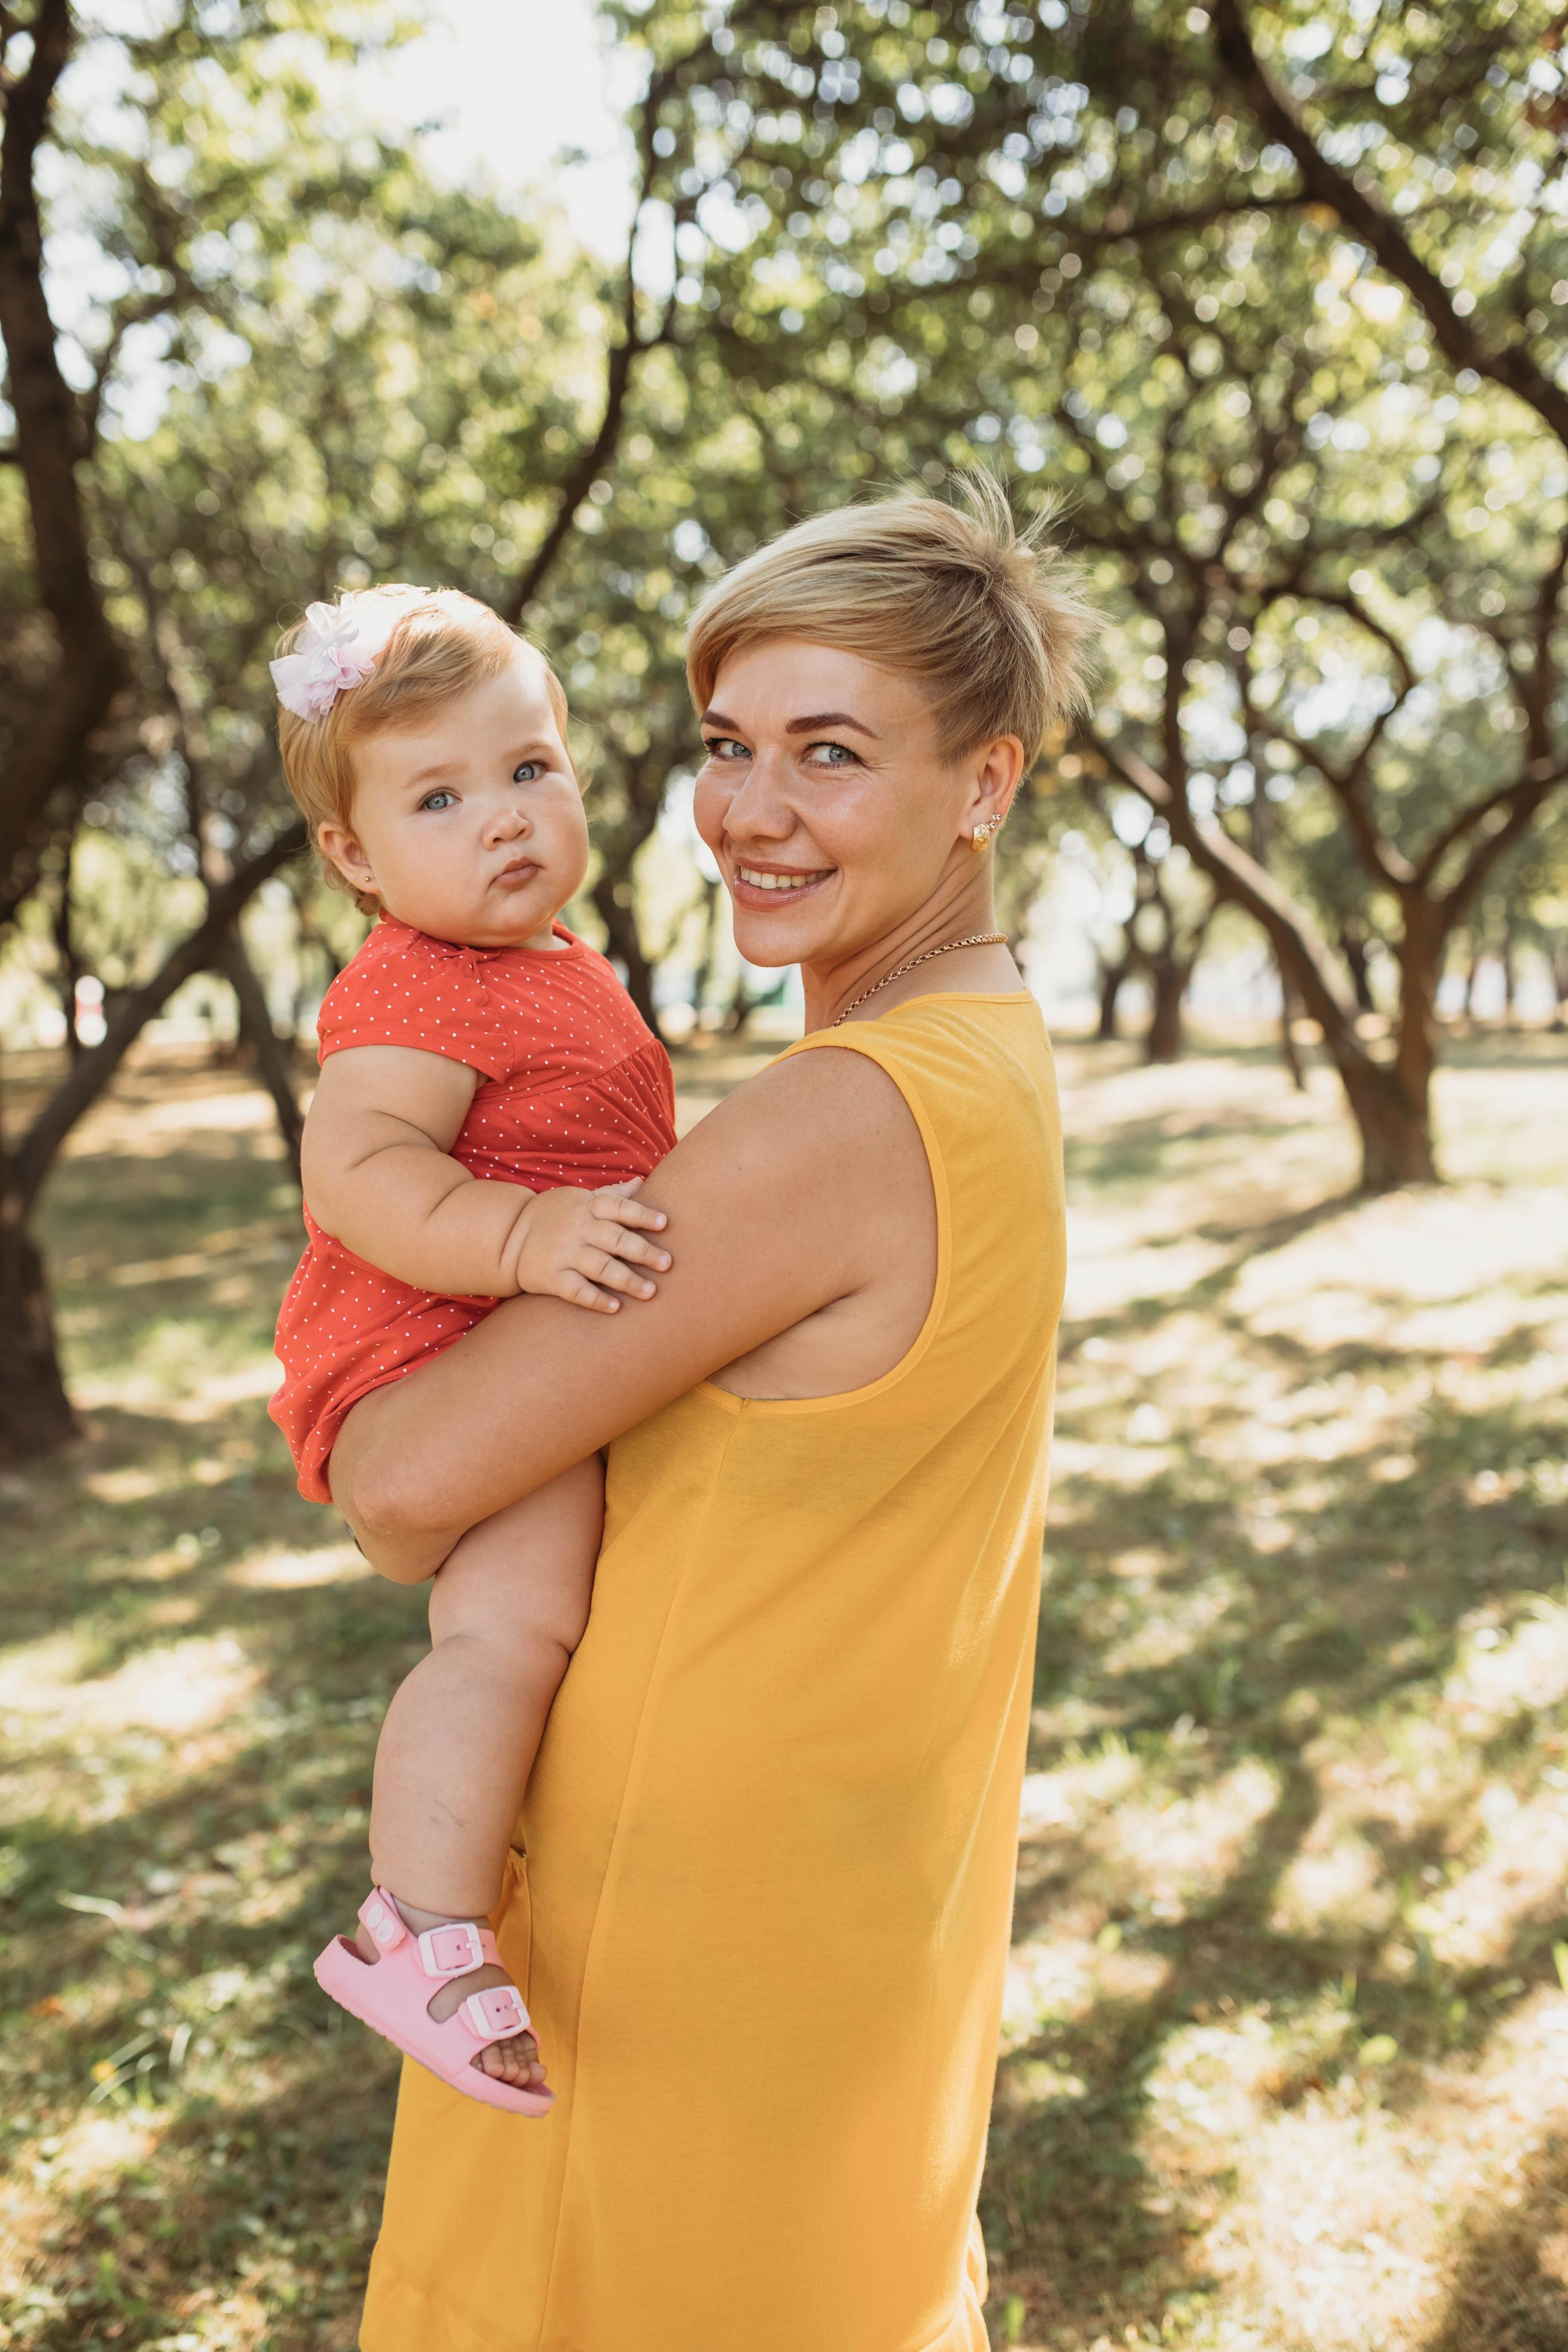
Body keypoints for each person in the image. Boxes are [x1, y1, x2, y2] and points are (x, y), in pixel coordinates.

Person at [333, 478, 1097, 2352]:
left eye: (830, 754)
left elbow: (402, 1480)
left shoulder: (842, 1119)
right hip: (859, 1877)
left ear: (985, 785)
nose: (750, 811)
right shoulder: (990, 1057)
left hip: (683, 1917)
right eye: (727, 745)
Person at [267, 586, 676, 2110]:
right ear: (356, 858)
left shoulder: (543, 962)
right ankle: (416, 1925)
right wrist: (519, 1243)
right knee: (503, 1635)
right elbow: (355, 1171)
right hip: (429, 1342)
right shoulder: (414, 979)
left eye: (529, 769)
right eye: (438, 797)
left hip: (505, 1331)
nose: (502, 818)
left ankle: (461, 1893)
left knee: (547, 1630)